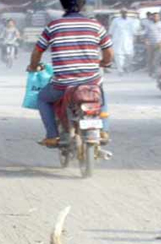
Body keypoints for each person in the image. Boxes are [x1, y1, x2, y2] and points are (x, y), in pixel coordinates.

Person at [27, 0, 114, 148]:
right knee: (100, 93)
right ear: (82, 6)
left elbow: (37, 51)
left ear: (63, 5)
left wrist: (33, 67)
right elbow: (109, 53)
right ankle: (104, 130)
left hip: (63, 85)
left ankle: (52, 136)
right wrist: (104, 62)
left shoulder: (53, 26)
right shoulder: (95, 26)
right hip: (91, 82)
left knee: (42, 98)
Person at [109, 8, 139, 74]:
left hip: (128, 41)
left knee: (130, 55)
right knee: (118, 55)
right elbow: (111, 31)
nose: (124, 13)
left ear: (126, 13)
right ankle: (120, 70)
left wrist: (135, 38)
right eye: (122, 12)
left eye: (125, 12)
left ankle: (126, 67)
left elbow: (135, 31)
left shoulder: (131, 21)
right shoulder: (115, 20)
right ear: (121, 13)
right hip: (118, 41)